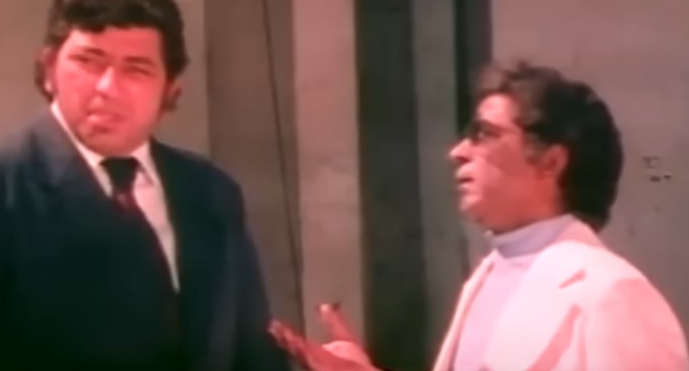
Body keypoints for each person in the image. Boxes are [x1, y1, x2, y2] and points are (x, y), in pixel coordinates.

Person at [0, 0, 289, 371]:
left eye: (136, 69)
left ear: (172, 88)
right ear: (49, 69)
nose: (107, 88)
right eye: (89, 61)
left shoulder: (210, 192)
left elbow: (252, 359)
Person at [269, 61, 688, 371]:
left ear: (550, 162)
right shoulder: (489, 274)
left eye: (485, 134)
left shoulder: (610, 293)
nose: (458, 152)